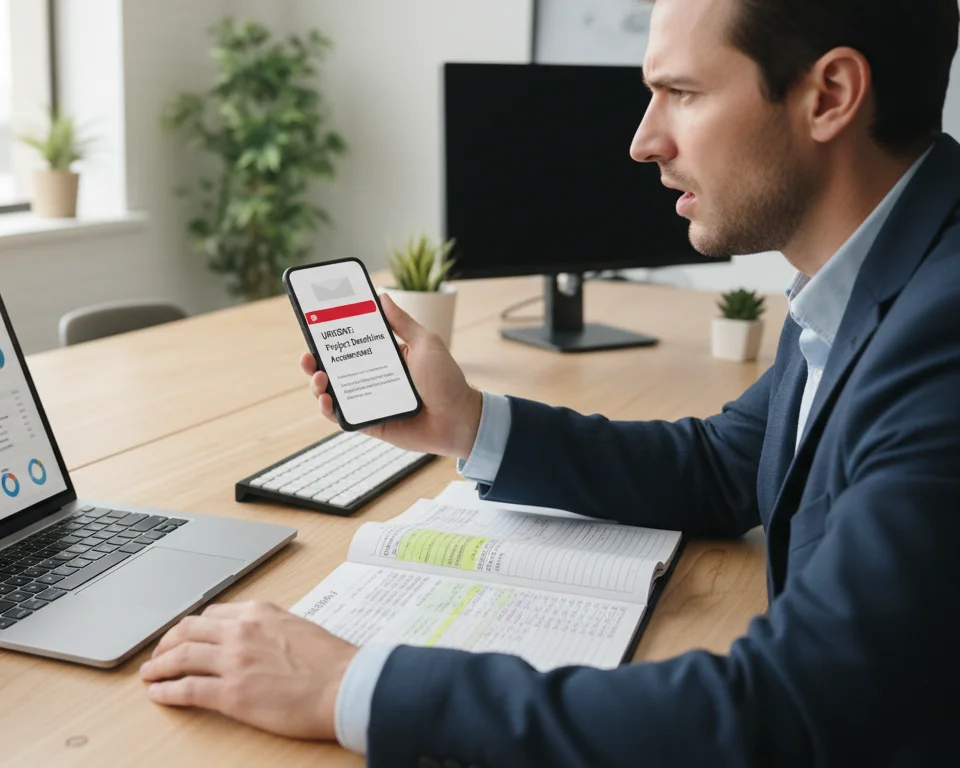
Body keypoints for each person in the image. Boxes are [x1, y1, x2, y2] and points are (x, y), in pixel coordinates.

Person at [139, 0, 960, 763]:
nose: (644, 141)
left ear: (831, 95)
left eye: (681, 92)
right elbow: (725, 466)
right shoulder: (873, 277)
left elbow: (791, 710)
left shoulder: (941, 331)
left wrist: (353, 684)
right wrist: (467, 423)